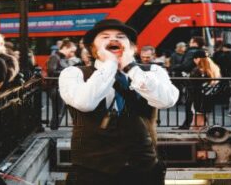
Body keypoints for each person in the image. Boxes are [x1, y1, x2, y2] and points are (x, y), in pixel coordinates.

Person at [59, 19, 179, 185]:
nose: (113, 40)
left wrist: (130, 68)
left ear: (132, 47)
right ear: (92, 48)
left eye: (121, 36)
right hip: (91, 171)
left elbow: (167, 100)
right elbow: (85, 102)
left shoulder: (152, 71)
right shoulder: (73, 73)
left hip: (144, 170)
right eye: (105, 36)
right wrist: (110, 64)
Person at [47, 39, 81, 130]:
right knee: (58, 111)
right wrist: (68, 72)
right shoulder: (55, 57)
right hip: (55, 87)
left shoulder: (61, 58)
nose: (72, 53)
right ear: (65, 48)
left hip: (59, 87)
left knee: (60, 111)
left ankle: (54, 129)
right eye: (71, 51)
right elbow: (51, 70)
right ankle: (53, 130)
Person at [190, 50, 221, 129]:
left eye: (194, 58)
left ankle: (198, 136)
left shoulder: (197, 70)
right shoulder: (214, 68)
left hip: (199, 97)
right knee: (204, 119)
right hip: (210, 96)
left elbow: (193, 84)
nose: (194, 60)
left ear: (198, 59)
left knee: (198, 121)